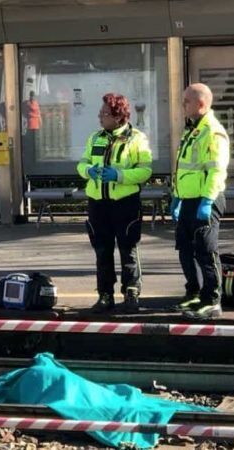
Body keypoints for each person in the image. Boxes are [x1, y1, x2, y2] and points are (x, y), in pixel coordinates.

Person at [77, 93, 153, 313]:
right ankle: (105, 294)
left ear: (118, 116)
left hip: (125, 203)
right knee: (102, 249)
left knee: (128, 248)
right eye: (100, 113)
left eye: (104, 114)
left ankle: (131, 292)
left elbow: (145, 171)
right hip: (98, 203)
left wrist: (119, 176)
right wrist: (88, 171)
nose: (100, 117)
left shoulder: (136, 138)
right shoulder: (95, 137)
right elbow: (82, 164)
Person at [171, 83, 230, 320]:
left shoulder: (212, 132)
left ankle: (212, 300)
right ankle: (194, 293)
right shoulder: (192, 130)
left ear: (201, 104)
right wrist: (177, 196)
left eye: (186, 101)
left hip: (206, 199)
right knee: (185, 249)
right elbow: (183, 168)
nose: (183, 105)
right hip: (187, 199)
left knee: (206, 251)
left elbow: (216, 171)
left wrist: (207, 200)